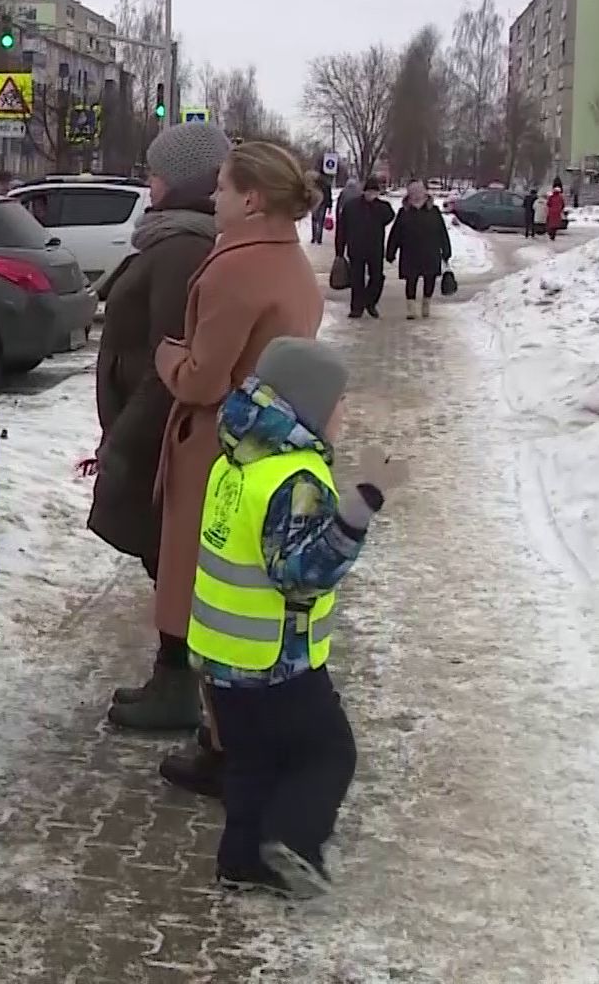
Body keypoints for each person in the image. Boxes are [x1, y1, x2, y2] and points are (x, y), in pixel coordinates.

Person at [108, 140, 327, 740]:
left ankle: (218, 733)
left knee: (203, 589)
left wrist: (167, 353)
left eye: (224, 188)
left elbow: (205, 377)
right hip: (263, 444)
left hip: (217, 445)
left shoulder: (235, 267)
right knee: (233, 593)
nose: (213, 196)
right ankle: (221, 732)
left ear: (252, 199)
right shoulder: (285, 258)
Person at [192, 335, 408, 897]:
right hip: (275, 656)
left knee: (251, 761)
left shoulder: (238, 456)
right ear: (310, 404)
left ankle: (240, 861)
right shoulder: (297, 478)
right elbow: (302, 571)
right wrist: (358, 511)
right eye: (340, 402)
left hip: (221, 649)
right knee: (328, 752)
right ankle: (294, 841)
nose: (345, 412)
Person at [89, 121, 228, 626]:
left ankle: (178, 677)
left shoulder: (182, 250)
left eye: (156, 174)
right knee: (165, 558)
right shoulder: (176, 240)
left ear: (183, 180)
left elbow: (167, 356)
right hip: (151, 432)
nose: (150, 183)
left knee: (168, 558)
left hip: (155, 439)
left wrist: (122, 442)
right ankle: (174, 673)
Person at [386, 180, 452, 320]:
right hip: (410, 252)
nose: (416, 196)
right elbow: (396, 233)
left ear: (424, 193)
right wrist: (391, 252)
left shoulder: (433, 211)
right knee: (411, 279)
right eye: (413, 194)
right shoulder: (404, 212)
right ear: (409, 195)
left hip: (431, 252)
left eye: (419, 193)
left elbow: (442, 232)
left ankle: (426, 304)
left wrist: (446, 250)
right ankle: (411, 308)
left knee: (430, 278)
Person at [337, 175, 395, 319]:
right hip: (356, 247)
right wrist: (339, 249)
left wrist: (377, 203)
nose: (371, 195)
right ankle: (356, 307)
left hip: (375, 248)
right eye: (369, 192)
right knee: (357, 279)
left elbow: (389, 216)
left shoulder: (381, 207)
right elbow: (342, 229)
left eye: (374, 192)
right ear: (364, 191)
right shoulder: (351, 207)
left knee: (377, 277)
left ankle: (370, 302)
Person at [309, 170, 333, 245]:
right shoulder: (326, 183)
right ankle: (319, 239)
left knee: (314, 220)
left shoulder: (314, 182)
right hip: (323, 203)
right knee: (320, 221)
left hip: (315, 203)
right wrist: (330, 206)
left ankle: (314, 237)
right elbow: (329, 195)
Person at [545, 177, 566, 242]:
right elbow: (563, 204)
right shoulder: (560, 197)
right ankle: (553, 235)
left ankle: (550, 233)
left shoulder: (551, 197)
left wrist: (550, 208)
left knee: (550, 223)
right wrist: (560, 209)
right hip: (557, 212)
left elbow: (548, 203)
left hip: (551, 211)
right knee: (556, 224)